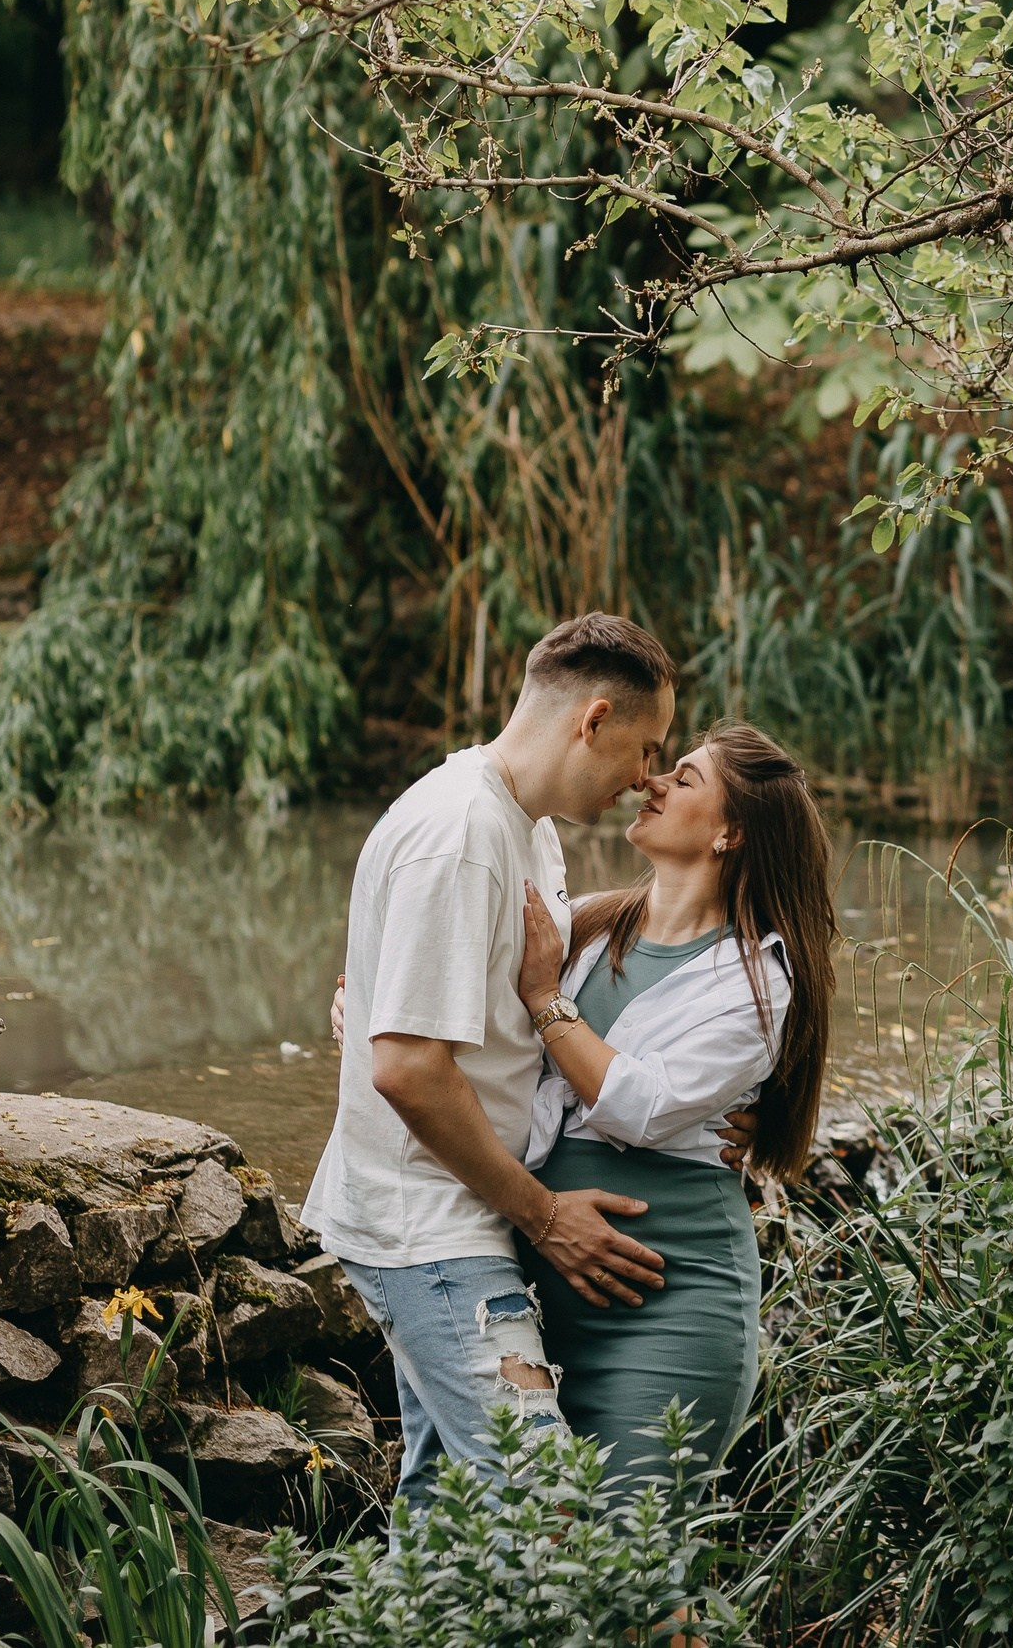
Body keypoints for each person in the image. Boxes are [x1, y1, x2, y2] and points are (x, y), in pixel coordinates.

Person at [301, 614, 692, 1504]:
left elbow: (448, 1013)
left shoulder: (526, 827)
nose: (645, 777)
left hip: (459, 1218)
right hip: (430, 1229)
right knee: (550, 1506)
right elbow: (404, 1066)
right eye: (646, 746)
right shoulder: (462, 833)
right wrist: (546, 1216)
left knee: (448, 1523)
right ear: (593, 719)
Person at [509, 721, 837, 1487]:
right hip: (536, 1293)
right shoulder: (584, 923)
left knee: (633, 1570)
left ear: (730, 833)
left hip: (669, 1310)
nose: (651, 781)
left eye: (683, 777)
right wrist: (365, 996)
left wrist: (544, 1000)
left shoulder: (758, 980)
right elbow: (456, 982)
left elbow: (640, 1107)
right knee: (542, 1559)